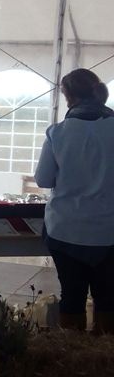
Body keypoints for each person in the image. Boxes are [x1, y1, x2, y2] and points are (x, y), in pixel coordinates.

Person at [34, 68, 114, 333]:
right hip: (109, 231)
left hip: (67, 230)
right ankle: (105, 350)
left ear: (69, 97)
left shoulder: (58, 133)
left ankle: (73, 349)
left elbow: (44, 179)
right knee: (108, 296)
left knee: (72, 294)